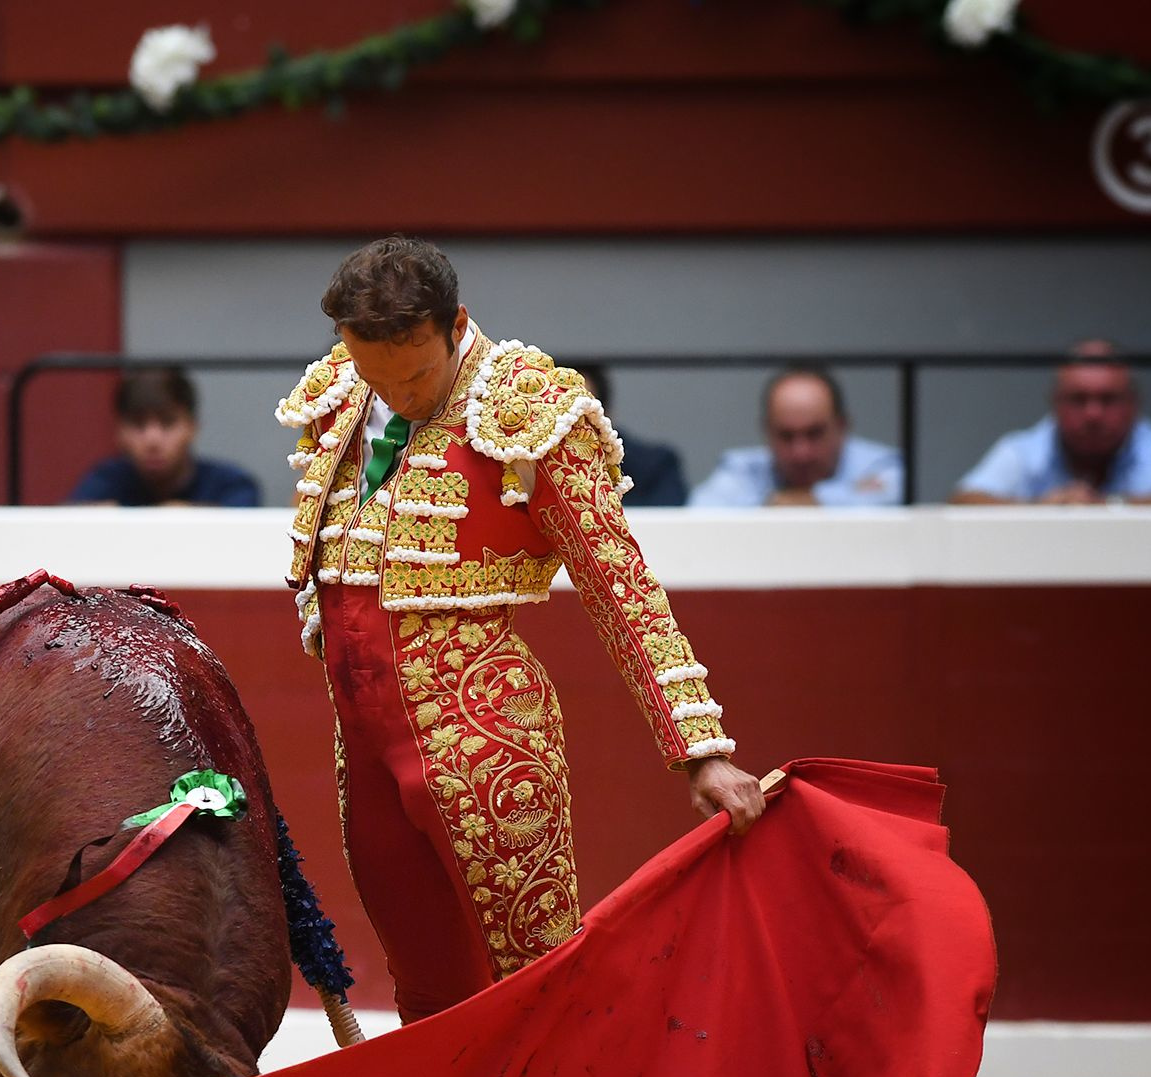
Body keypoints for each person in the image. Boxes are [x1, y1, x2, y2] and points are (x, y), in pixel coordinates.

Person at [278, 236, 762, 1025]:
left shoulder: (530, 408)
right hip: (362, 747)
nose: (395, 396)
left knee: (539, 985)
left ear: (456, 323)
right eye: (376, 375)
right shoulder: (342, 391)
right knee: (425, 992)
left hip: (485, 737)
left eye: (417, 375)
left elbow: (619, 581)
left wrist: (699, 750)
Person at [951, 340, 1151, 505]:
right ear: (1055, 403)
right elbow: (964, 500)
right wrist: (1040, 509)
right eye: (1078, 399)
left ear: (1134, 404)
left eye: (1108, 399)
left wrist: (1108, 505)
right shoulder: (1022, 450)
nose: (1093, 414)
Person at [689, 366, 902, 507]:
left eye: (815, 433)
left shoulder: (882, 465)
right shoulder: (744, 469)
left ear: (842, 426)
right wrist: (845, 497)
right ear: (767, 431)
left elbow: (899, 495)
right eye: (786, 436)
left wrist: (810, 500)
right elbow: (699, 513)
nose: (801, 453)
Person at [68, 367, 260, 507]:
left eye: (168, 423)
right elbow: (64, 525)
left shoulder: (232, 484)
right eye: (138, 424)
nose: (152, 440)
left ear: (192, 428)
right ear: (120, 432)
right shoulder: (104, 480)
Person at [581, 363, 688, 506]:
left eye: (582, 414)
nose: (572, 428)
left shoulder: (655, 467)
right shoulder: (541, 466)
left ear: (605, 415)